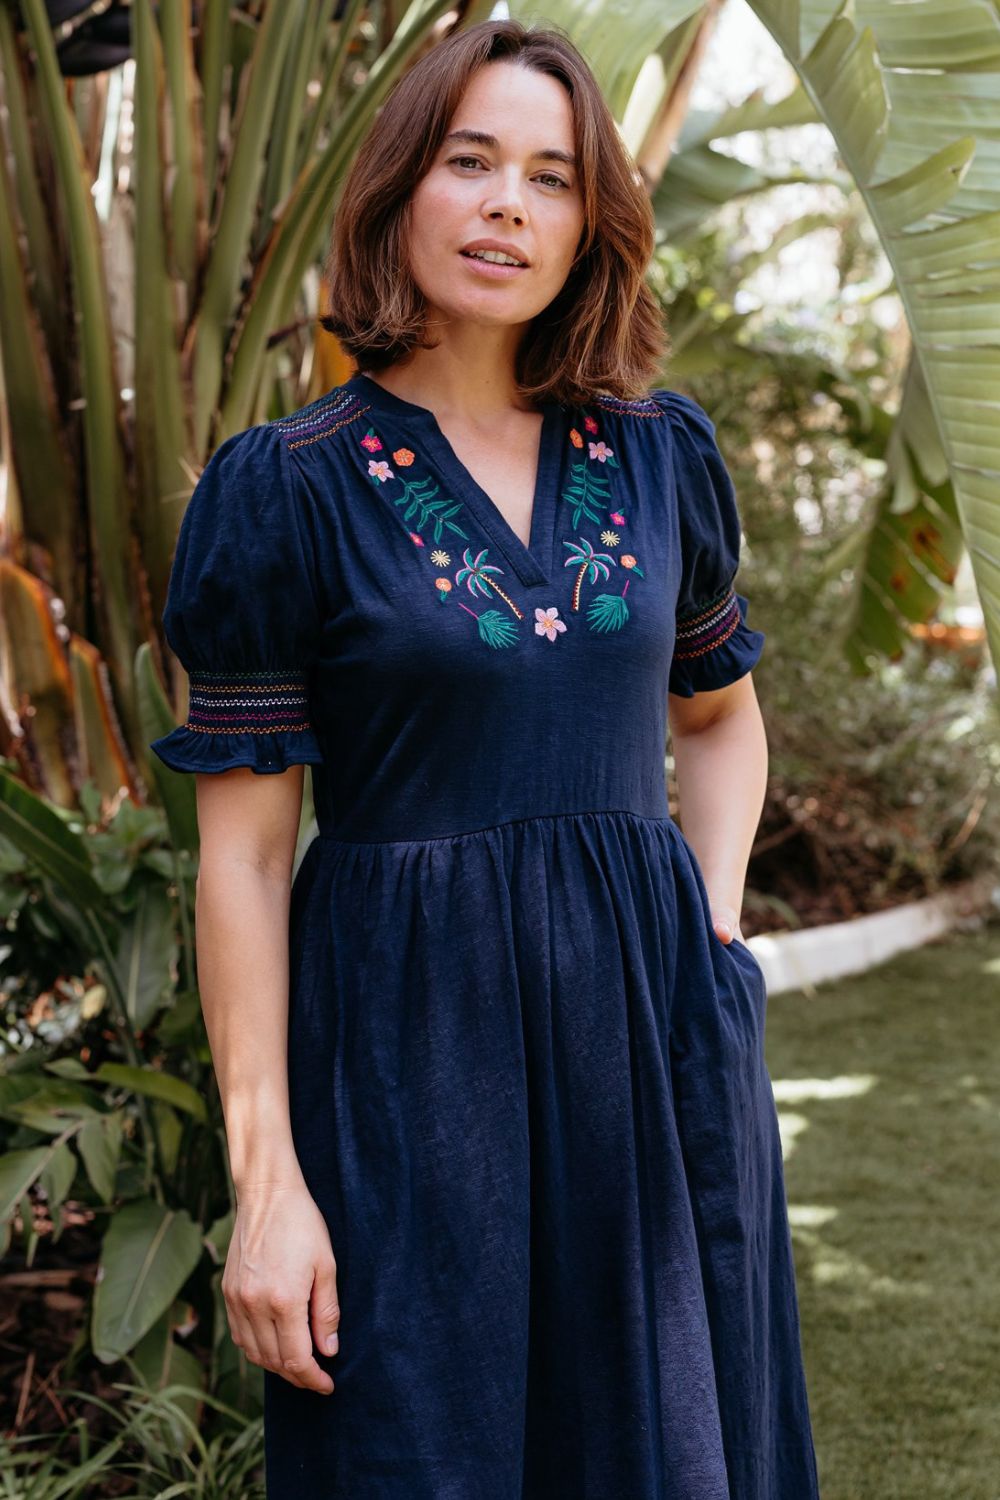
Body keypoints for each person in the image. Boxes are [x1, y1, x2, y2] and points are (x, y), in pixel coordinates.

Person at [150, 17, 821, 1499]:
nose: (509, 204)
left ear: (592, 226)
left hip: (647, 1048)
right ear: (401, 189)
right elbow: (247, 855)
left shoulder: (659, 456)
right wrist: (270, 1183)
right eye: (471, 161)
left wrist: (708, 934)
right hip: (403, 1060)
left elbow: (717, 710)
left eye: (552, 176)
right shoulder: (289, 493)